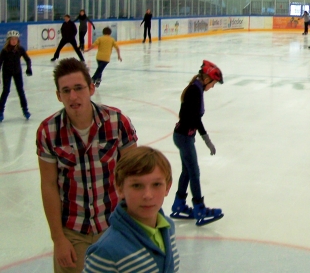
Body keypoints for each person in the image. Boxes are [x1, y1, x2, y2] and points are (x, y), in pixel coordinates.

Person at [36, 58, 137, 273]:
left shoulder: (117, 122)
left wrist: (135, 227)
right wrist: (58, 239)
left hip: (115, 227)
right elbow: (49, 185)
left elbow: (135, 176)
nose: (73, 96)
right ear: (58, 95)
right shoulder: (48, 131)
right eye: (66, 91)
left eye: (79, 88)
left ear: (91, 88)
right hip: (72, 232)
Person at [83, 147, 179, 273]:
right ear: (120, 188)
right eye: (137, 186)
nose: (148, 195)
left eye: (156, 184)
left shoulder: (168, 227)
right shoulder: (107, 249)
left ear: (168, 187)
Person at [171, 60, 224, 227]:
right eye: (213, 83)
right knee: (194, 172)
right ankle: (199, 208)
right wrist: (206, 139)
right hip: (184, 137)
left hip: (183, 136)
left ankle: (179, 204)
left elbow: (192, 117)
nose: (213, 87)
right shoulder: (195, 90)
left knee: (187, 171)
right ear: (207, 79)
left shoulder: (196, 88)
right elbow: (194, 119)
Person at [0, 30, 32, 121]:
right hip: (7, 72)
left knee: (20, 91)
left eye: (15, 39)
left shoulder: (20, 49)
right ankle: (0, 111)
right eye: (12, 39)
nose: (14, 41)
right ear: (8, 40)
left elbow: (28, 59)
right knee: (6, 91)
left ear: (18, 40)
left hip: (17, 72)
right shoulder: (5, 51)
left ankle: (25, 110)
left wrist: (29, 68)